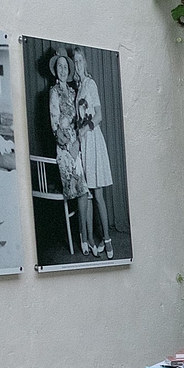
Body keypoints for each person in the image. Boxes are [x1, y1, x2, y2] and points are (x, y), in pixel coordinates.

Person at [70, 48, 119, 258]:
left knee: (98, 194)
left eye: (80, 60)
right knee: (87, 194)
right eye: (75, 61)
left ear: (85, 63)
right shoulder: (78, 87)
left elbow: (99, 116)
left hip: (92, 139)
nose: (78, 64)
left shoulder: (90, 84)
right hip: (83, 143)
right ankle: (90, 240)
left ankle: (107, 241)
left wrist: (84, 129)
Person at [43, 49, 92, 258]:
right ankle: (83, 238)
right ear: (55, 70)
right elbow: (55, 124)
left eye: (66, 66)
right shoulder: (54, 92)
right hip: (64, 148)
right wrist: (67, 146)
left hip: (76, 144)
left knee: (86, 191)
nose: (63, 70)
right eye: (60, 67)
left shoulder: (73, 92)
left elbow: (79, 120)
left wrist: (77, 144)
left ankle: (84, 235)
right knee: (79, 189)